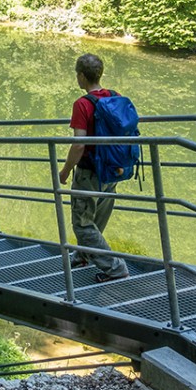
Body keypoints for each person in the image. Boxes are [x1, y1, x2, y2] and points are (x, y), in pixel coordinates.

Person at [57, 53, 129, 282]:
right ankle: (84, 255)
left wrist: (66, 170)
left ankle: (115, 268)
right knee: (97, 218)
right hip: (113, 169)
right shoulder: (115, 97)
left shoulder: (82, 104)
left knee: (82, 223)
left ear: (80, 76)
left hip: (89, 171)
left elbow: (79, 144)